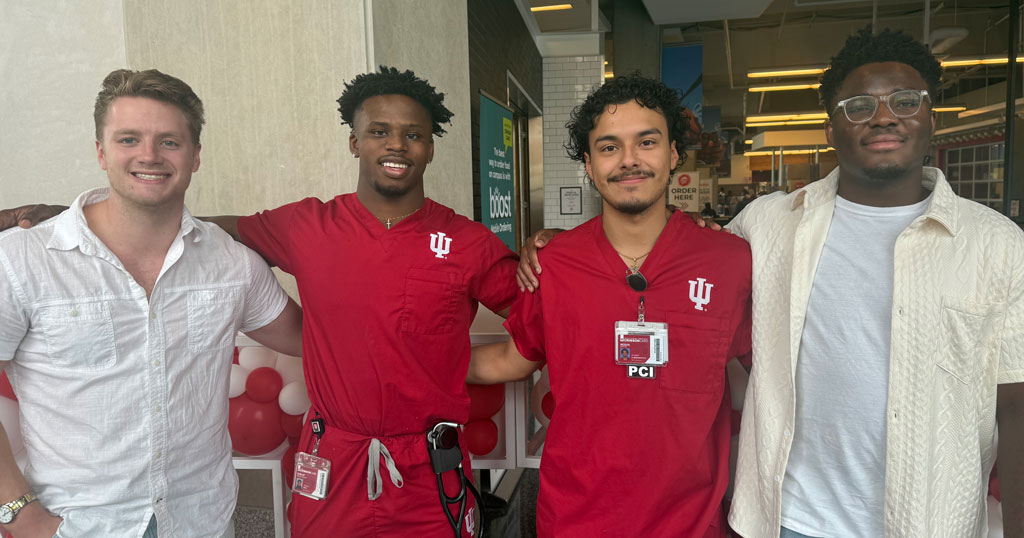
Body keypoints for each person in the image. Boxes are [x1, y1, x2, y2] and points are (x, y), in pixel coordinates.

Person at [519, 26, 1024, 538]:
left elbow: (1016, 408)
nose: (884, 116)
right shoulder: (769, 224)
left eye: (905, 100)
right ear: (831, 128)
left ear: (931, 117)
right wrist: (566, 244)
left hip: (931, 521)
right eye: (857, 106)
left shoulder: (996, 246)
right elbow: (665, 248)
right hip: (787, 517)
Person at [0, 67, 519, 537]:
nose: (397, 145)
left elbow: (539, 318)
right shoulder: (306, 226)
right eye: (379, 131)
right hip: (321, 462)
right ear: (354, 142)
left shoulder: (467, 242)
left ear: (431, 148)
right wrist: (62, 213)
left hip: (416, 466)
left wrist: (549, 255)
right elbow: (220, 228)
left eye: (414, 135)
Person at [0, 69, 302, 538]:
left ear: (195, 155)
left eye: (169, 142)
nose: (149, 156)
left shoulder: (232, 263)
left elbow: (313, 339)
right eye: (128, 139)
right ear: (100, 151)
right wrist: (20, 514)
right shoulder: (20, 260)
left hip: (200, 520)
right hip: (76, 525)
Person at [468, 74, 752, 537]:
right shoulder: (553, 265)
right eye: (608, 147)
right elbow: (512, 359)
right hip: (576, 518)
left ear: (674, 153)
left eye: (647, 141)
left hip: (692, 522)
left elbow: (775, 373)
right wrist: (405, 362)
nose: (629, 161)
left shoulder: (730, 261)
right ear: (588, 163)